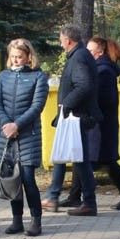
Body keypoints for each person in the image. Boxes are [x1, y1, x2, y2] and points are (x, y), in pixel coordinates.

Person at [42, 25, 102, 216]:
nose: (60, 44)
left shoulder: (78, 57)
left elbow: (83, 85)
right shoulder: (80, 56)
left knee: (77, 158)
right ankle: (55, 197)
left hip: (75, 116)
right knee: (69, 156)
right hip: (75, 115)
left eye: (61, 40)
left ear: (68, 40)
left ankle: (87, 202)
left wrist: (65, 105)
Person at [0, 39, 49, 237]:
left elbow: (37, 106)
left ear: (28, 57)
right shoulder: (3, 76)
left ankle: (35, 220)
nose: (16, 60)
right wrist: (7, 124)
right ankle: (17, 220)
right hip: (7, 135)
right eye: (13, 57)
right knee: (11, 178)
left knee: (27, 178)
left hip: (28, 136)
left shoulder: (38, 77)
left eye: (20, 57)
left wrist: (18, 125)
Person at [85, 36, 120, 210]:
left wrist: (90, 104)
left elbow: (105, 98)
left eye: (90, 51)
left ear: (99, 52)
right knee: (101, 161)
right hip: (103, 123)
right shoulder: (102, 68)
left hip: (101, 124)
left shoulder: (103, 71)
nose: (87, 54)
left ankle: (83, 199)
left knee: (89, 161)